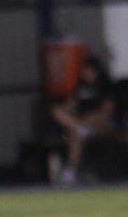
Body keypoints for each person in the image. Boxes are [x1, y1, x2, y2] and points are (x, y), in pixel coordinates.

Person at [49, 56, 117, 185]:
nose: (85, 74)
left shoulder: (105, 85)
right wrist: (63, 110)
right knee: (60, 114)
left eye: (88, 71)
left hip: (100, 123)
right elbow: (71, 104)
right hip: (81, 123)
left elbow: (107, 111)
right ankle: (78, 128)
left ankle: (71, 171)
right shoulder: (81, 86)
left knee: (75, 134)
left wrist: (89, 119)